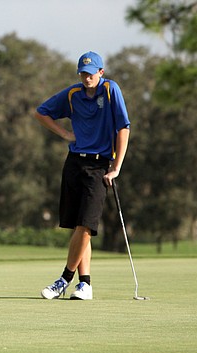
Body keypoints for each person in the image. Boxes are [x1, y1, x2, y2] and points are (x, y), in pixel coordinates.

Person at [34, 51, 131, 300]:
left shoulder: (110, 90)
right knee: (79, 226)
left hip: (100, 166)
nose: (87, 78)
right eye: (83, 73)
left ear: (101, 72)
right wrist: (65, 134)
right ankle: (85, 284)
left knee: (86, 225)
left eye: (91, 73)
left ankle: (65, 279)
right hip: (74, 163)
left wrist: (116, 167)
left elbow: (123, 127)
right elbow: (41, 113)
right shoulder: (72, 94)